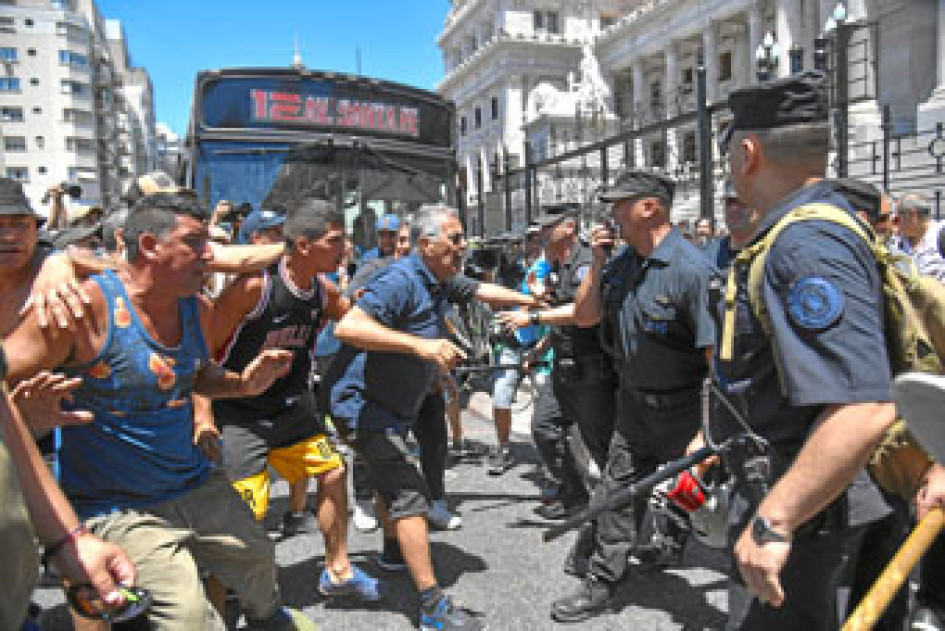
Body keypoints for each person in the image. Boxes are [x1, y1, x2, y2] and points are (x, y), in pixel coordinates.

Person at [3, 190, 315, 630]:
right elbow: (6, 368)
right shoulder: (85, 309)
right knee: (187, 615)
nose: (210, 255)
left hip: (193, 483)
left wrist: (243, 383)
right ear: (149, 246)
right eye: (195, 243)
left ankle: (267, 620)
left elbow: (193, 375)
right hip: (117, 504)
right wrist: (20, 408)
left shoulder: (197, 309)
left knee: (258, 556)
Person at [713, 72, 896, 630]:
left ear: (748, 154)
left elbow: (863, 406)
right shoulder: (808, 228)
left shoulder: (805, 242)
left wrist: (774, 521)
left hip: (804, 502)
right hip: (804, 491)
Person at [327, 204, 543, 631]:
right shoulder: (399, 280)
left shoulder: (439, 278)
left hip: (390, 406)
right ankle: (432, 609)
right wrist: (422, 347)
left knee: (391, 486)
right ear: (426, 245)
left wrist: (529, 299)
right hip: (362, 407)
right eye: (456, 239)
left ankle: (392, 553)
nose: (464, 247)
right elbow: (348, 328)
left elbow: (482, 292)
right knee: (410, 495)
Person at [552, 169, 716, 623]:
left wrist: (705, 433)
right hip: (634, 405)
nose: (611, 215)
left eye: (620, 204)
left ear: (650, 208)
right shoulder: (622, 263)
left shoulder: (692, 270)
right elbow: (585, 317)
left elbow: (715, 362)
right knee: (617, 494)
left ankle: (690, 551)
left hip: (685, 407)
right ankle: (604, 582)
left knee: (699, 495)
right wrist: (599, 263)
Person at [497, 207, 617, 521]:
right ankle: (575, 495)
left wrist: (533, 315)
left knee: (602, 448)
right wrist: (539, 348)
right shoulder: (559, 266)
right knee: (544, 428)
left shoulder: (586, 263)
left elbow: (580, 313)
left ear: (569, 227)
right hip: (563, 367)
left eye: (549, 227)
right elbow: (562, 319)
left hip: (590, 369)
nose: (543, 233)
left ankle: (623, 518)